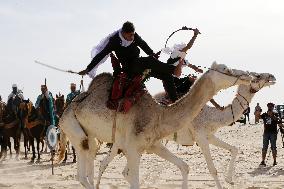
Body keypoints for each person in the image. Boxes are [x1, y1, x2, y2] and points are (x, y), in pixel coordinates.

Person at [78, 21, 183, 103]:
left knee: (166, 75)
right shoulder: (114, 41)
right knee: (149, 61)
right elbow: (101, 55)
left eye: (133, 34)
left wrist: (152, 53)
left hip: (139, 65)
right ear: (123, 33)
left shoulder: (134, 36)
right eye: (130, 35)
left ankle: (175, 102)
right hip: (129, 67)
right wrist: (88, 69)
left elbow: (143, 45)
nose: (132, 37)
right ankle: (174, 70)